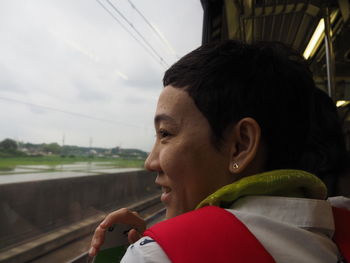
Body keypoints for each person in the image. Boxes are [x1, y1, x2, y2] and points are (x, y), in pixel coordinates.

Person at [88, 40, 349, 262]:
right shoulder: (340, 220)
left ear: (241, 146)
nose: (150, 162)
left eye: (165, 134)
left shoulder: (155, 256)